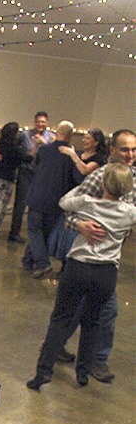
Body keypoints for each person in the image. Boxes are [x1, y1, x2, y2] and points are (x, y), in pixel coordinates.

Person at [26, 163, 135, 390]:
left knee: (60, 320)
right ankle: (83, 374)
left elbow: (64, 202)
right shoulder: (130, 212)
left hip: (78, 268)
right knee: (92, 322)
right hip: (106, 272)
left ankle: (43, 372)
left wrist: (83, 189)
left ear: (103, 183)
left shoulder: (87, 203)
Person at [59, 129, 136, 383]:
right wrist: (80, 225)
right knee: (105, 309)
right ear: (112, 150)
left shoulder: (133, 179)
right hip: (87, 256)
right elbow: (69, 207)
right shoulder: (99, 177)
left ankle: (63, 347)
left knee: (90, 308)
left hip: (110, 258)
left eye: (134, 150)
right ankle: (96, 360)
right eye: (125, 149)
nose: (130, 154)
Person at [21, 120, 80, 278]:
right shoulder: (73, 156)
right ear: (70, 135)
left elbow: (39, 165)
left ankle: (42, 263)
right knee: (44, 232)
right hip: (56, 200)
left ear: (57, 132)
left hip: (38, 195)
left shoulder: (44, 150)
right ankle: (27, 260)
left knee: (34, 231)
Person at [48, 129, 109, 262]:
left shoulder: (99, 158)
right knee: (64, 228)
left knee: (74, 234)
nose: (84, 140)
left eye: (88, 138)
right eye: (84, 138)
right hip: (70, 194)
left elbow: (85, 170)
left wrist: (72, 154)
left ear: (96, 142)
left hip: (85, 198)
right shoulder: (81, 154)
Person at [8, 111, 55, 243]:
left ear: (47, 123)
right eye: (38, 121)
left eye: (43, 122)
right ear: (35, 122)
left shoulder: (51, 137)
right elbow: (13, 147)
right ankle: (14, 233)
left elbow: (53, 153)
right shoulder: (25, 135)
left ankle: (36, 234)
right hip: (25, 172)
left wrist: (44, 143)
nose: (40, 124)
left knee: (38, 206)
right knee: (20, 204)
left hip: (41, 175)